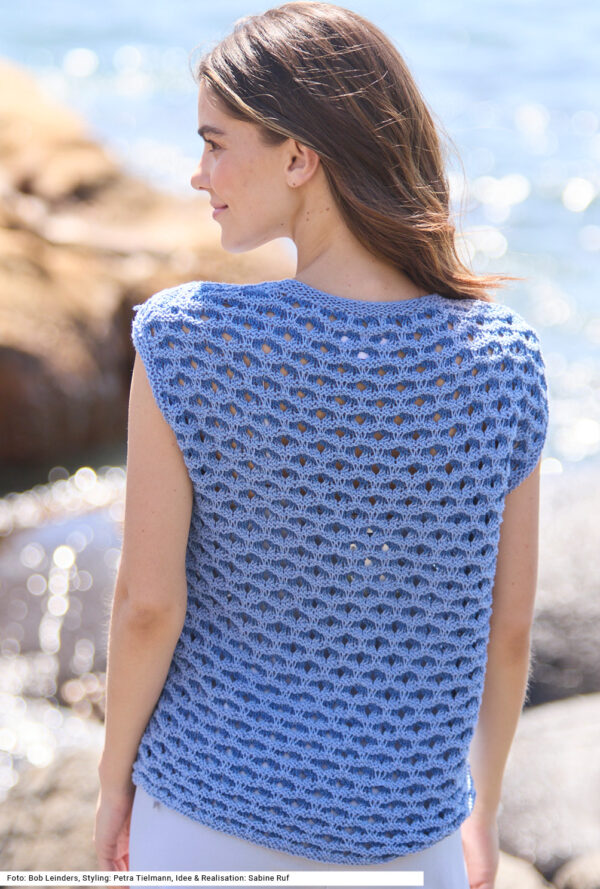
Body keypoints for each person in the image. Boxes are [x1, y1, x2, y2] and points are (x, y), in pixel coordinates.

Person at [93, 3, 550, 888]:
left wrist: (115, 781)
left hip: (205, 817)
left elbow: (148, 605)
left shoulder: (190, 340)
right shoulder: (503, 361)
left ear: (299, 156)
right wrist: (482, 810)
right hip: (410, 840)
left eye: (216, 144)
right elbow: (509, 628)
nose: (197, 173)